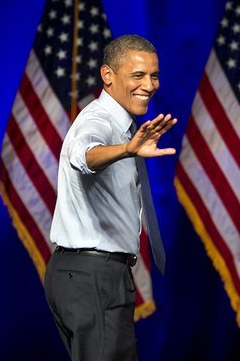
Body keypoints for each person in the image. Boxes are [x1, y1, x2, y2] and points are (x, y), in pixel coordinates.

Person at [44, 34, 177, 361]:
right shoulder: (98, 121)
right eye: (138, 75)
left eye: (154, 75)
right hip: (92, 276)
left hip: (92, 276)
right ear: (108, 76)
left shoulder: (124, 125)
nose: (149, 84)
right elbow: (83, 155)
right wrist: (126, 150)